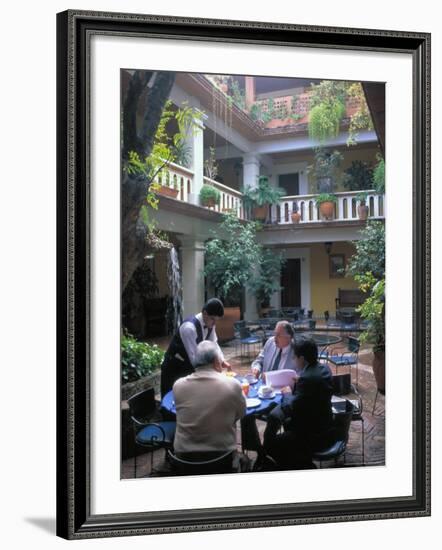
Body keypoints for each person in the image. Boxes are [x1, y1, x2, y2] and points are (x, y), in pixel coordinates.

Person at [172, 340, 247, 470]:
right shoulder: (232, 384)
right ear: (217, 362)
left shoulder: (178, 385)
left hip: (184, 459)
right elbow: (241, 413)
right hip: (221, 458)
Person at [262, 337, 334, 469]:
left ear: (302, 358)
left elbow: (291, 407)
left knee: (270, 444)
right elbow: (313, 385)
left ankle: (298, 465)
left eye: (294, 357)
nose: (294, 360)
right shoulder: (324, 368)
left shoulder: (307, 379)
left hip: (311, 434)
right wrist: (301, 379)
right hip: (326, 424)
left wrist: (287, 393)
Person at [160, 298, 231, 397]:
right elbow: (194, 359)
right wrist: (212, 372)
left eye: (217, 320)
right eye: (213, 319)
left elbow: (214, 344)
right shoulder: (189, 328)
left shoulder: (210, 324)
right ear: (205, 313)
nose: (214, 324)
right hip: (174, 369)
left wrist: (222, 361)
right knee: (170, 402)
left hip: (187, 368)